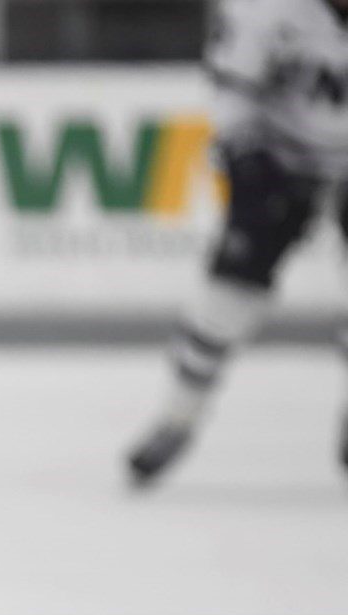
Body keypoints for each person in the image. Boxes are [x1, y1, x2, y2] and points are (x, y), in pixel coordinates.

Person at [127, 0, 348, 486]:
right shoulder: (268, 10)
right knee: (226, 301)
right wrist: (245, 153)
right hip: (284, 161)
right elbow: (231, 87)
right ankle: (177, 418)